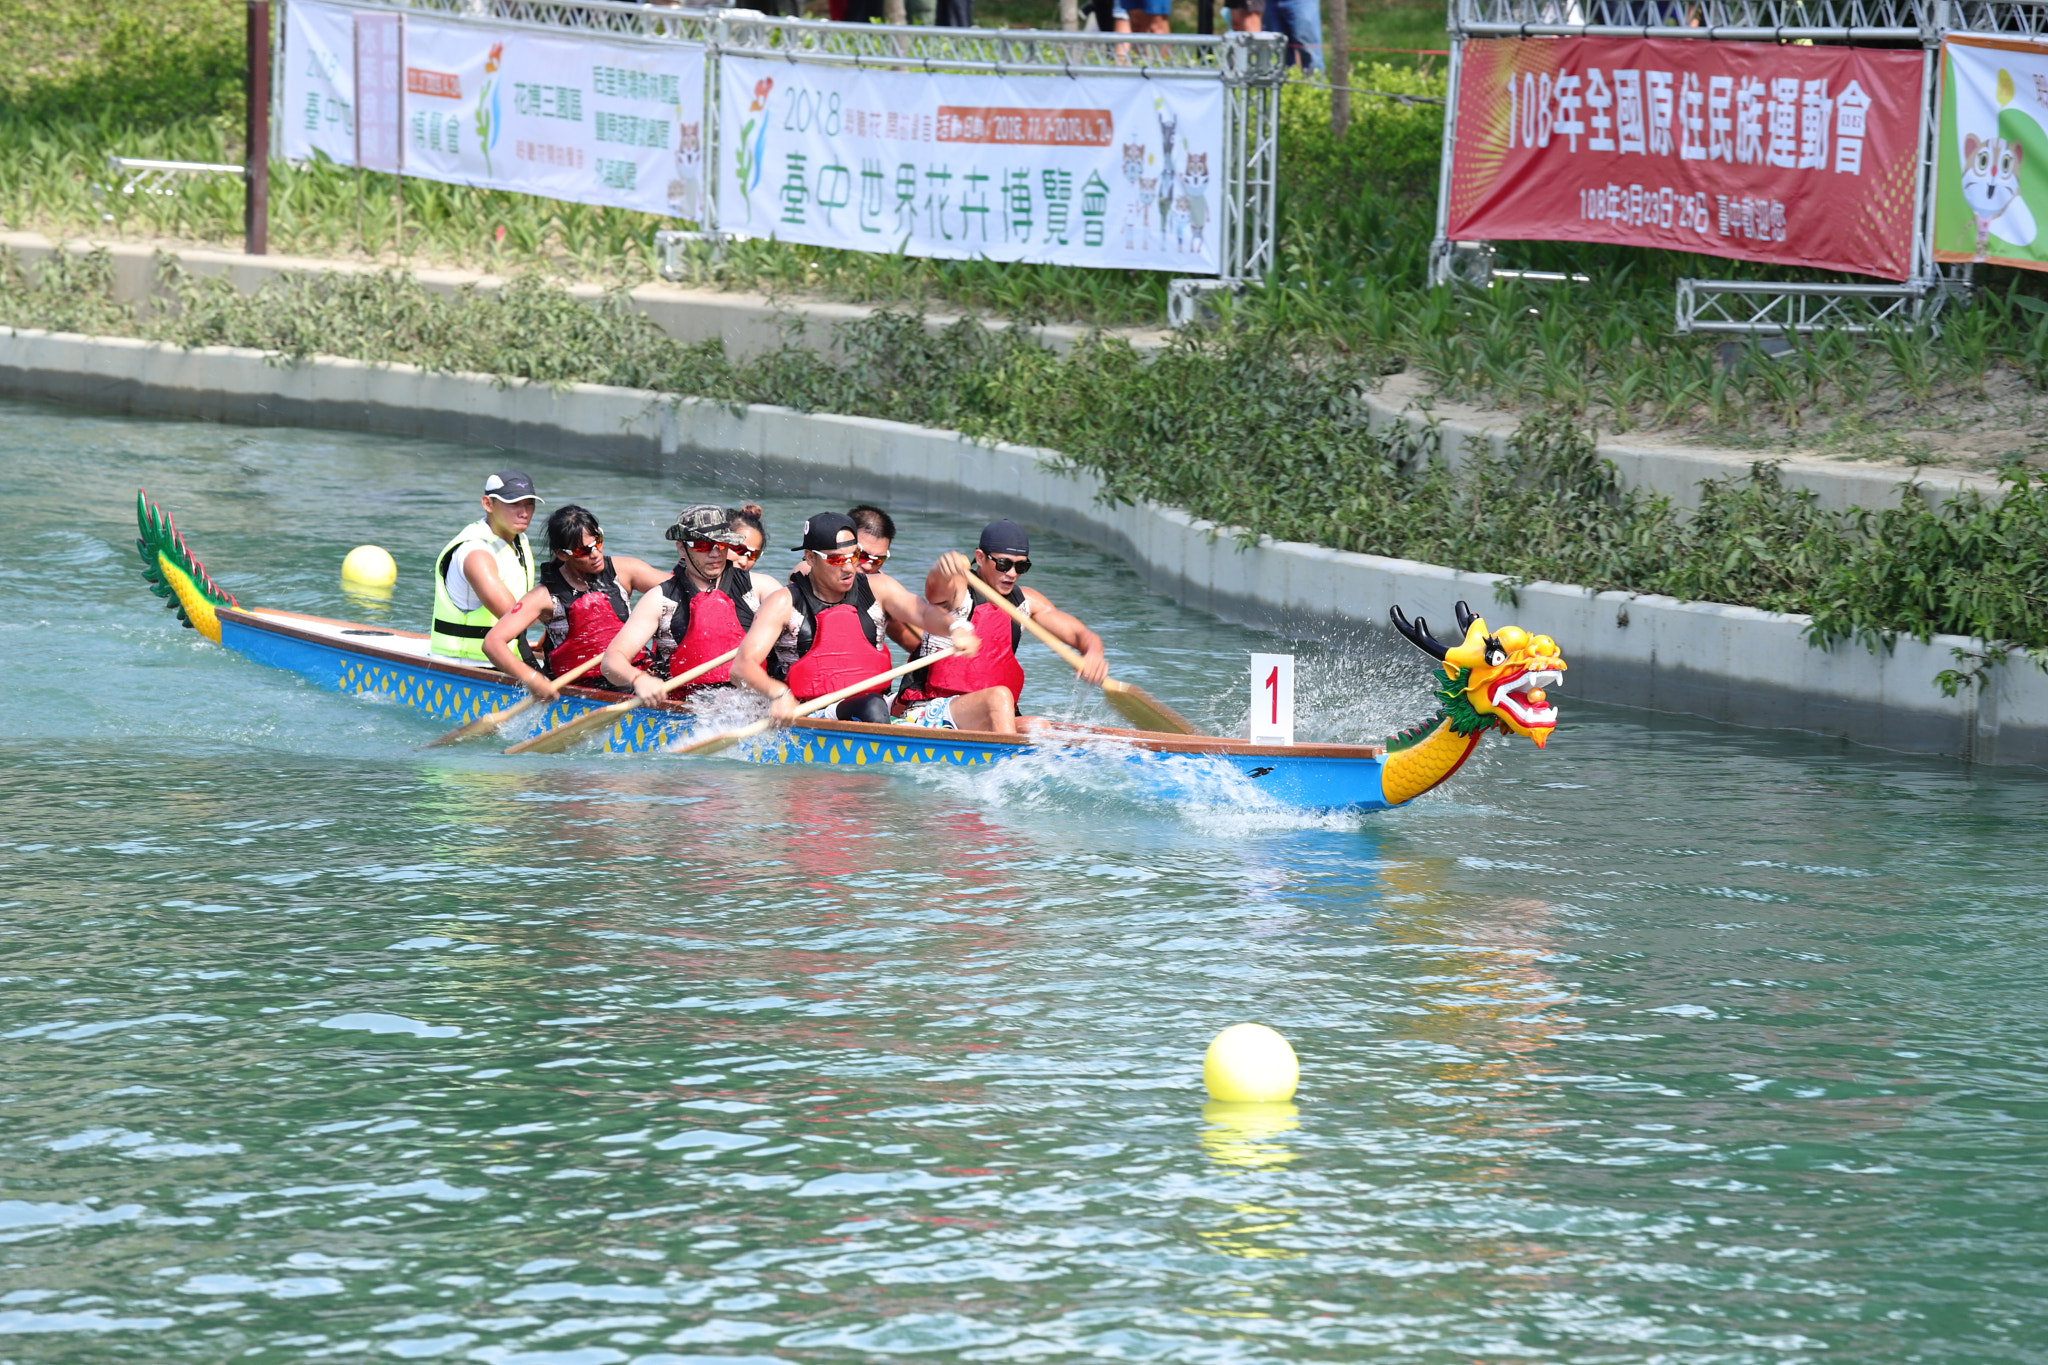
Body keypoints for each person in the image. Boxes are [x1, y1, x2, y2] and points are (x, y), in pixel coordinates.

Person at [731, 512, 979, 726]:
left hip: (877, 705)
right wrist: (778, 694)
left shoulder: (879, 588)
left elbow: (922, 612)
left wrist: (953, 627)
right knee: (870, 707)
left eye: (854, 556)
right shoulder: (782, 603)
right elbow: (742, 667)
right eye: (837, 559)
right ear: (810, 557)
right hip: (811, 711)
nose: (849, 567)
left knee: (988, 701)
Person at [893, 519, 1106, 736]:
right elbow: (935, 589)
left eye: (1021, 566)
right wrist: (944, 567)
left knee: (1040, 729)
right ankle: (1005, 764)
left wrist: (1093, 652)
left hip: (992, 715)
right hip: (930, 711)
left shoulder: (1026, 603)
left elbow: (1080, 635)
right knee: (1000, 696)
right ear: (980, 558)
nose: (1012, 573)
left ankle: (1011, 759)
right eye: (1004, 564)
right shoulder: (958, 591)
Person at [602, 504, 787, 705]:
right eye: (703, 546)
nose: (715, 553)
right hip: (686, 708)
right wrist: (638, 679)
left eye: (721, 545)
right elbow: (612, 661)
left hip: (752, 706)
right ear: (682, 548)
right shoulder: (659, 600)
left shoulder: (761, 589)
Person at [481, 505, 667, 701]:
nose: (595, 553)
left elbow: (680, 590)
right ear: (562, 554)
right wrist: (533, 679)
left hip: (632, 679)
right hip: (578, 693)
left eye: (598, 541)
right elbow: (493, 642)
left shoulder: (626, 570)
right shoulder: (545, 595)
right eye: (582, 551)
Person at [430, 470, 541, 663]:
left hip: (503, 660)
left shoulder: (518, 540)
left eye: (529, 504)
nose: (524, 513)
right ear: (487, 504)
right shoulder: (475, 553)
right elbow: (514, 616)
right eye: (514, 504)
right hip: (463, 664)